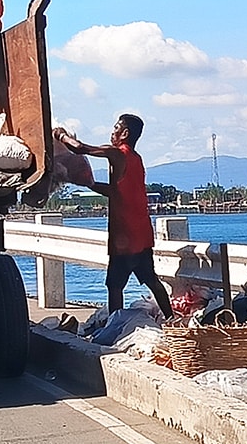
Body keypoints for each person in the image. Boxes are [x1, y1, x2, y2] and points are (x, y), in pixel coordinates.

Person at [53, 115, 175, 319]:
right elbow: (116, 191)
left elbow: (81, 148)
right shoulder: (136, 159)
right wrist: (90, 185)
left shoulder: (117, 153)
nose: (112, 131)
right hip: (142, 235)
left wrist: (61, 135)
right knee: (151, 280)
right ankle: (172, 319)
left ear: (125, 133)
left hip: (124, 237)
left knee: (115, 286)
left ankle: (116, 326)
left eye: (116, 127)